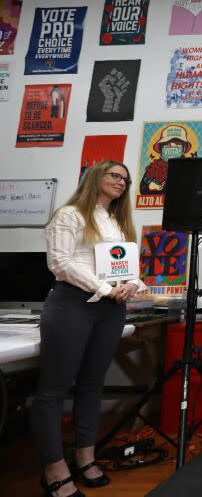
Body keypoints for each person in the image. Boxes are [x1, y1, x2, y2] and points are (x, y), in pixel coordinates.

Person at [34, 161, 147, 497]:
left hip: (111, 308)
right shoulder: (69, 214)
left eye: (125, 180)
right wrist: (103, 286)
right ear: (96, 177)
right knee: (54, 389)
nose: (121, 182)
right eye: (115, 175)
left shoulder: (119, 222)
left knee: (92, 385)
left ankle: (85, 456)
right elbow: (59, 262)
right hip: (73, 304)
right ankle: (54, 469)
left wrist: (132, 284)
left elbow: (131, 269)